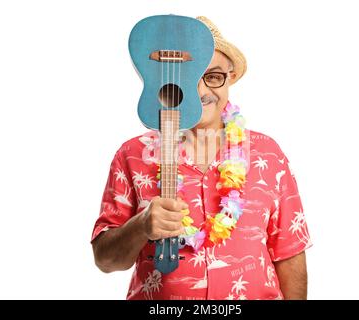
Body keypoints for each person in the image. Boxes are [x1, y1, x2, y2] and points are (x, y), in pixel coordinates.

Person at [91, 16, 312, 300]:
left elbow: (290, 253)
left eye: (214, 76)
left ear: (229, 79)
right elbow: (105, 260)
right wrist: (141, 225)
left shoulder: (268, 154)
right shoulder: (132, 155)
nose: (202, 90)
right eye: (191, 77)